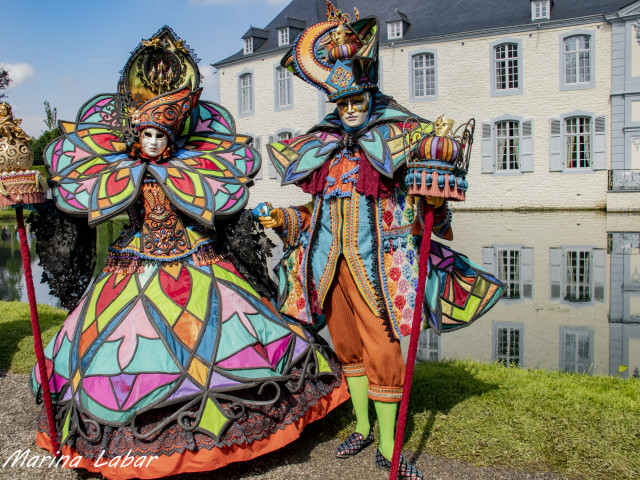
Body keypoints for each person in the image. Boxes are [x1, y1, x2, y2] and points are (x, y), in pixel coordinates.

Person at [30, 26, 348, 480]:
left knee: (238, 331)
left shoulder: (191, 167)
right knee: (122, 346)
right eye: (147, 136)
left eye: (161, 136)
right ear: (135, 136)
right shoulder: (120, 171)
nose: (154, 144)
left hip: (193, 258)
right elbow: (77, 212)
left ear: (172, 137)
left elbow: (215, 209)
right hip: (135, 262)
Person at [257, 4, 503, 480]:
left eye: (357, 103)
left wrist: (430, 202)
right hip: (331, 268)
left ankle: (389, 448)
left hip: (379, 268)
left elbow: (424, 204)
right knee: (347, 347)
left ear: (369, 99)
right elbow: (316, 217)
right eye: (342, 105)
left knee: (384, 353)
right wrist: (281, 218)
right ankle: (364, 427)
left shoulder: (394, 143)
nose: (350, 111)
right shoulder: (324, 152)